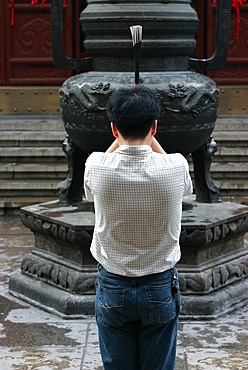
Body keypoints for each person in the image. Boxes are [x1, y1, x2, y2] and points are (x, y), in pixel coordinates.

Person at [84, 85, 193, 370]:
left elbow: (96, 179)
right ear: (154, 126)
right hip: (159, 283)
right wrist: (148, 139)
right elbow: (180, 181)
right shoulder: (176, 166)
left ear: (113, 128)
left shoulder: (96, 165)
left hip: (112, 283)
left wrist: (121, 139)